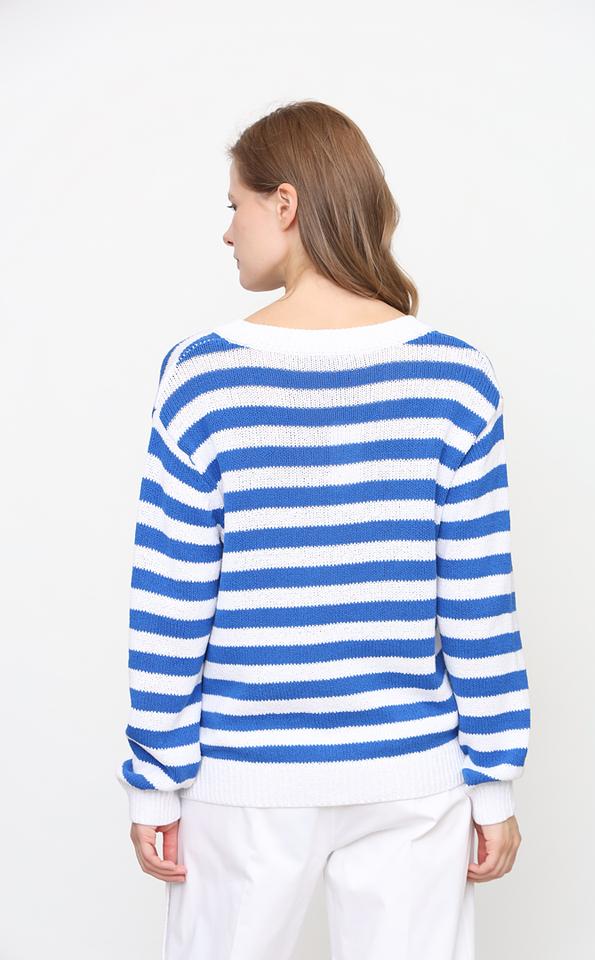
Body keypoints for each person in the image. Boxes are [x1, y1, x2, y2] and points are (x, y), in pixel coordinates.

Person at [116, 100, 530, 960]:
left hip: (245, 778)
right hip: (413, 778)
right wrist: (493, 784)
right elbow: (480, 608)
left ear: (286, 203)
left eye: (234, 204)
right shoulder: (457, 378)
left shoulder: (201, 378)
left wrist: (155, 782)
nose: (227, 232)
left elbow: (170, 601)